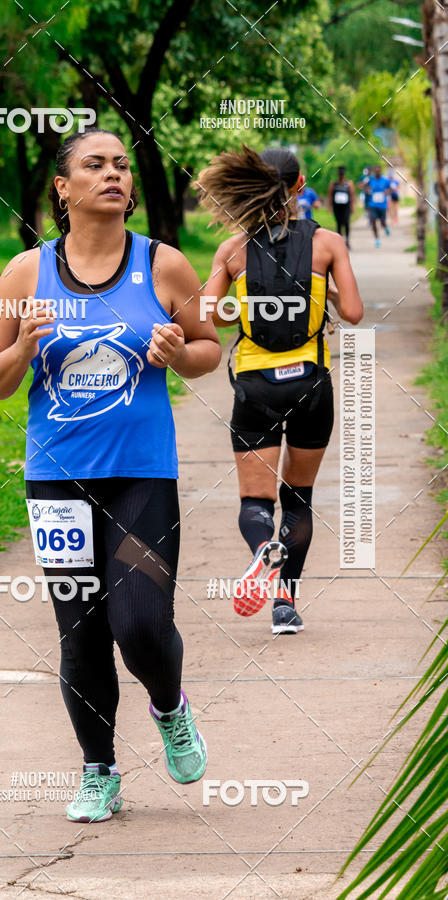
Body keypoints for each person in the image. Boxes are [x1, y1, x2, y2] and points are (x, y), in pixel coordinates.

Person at [0, 128, 221, 823]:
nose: (112, 173)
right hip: (58, 481)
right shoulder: (24, 273)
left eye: (120, 164)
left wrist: (180, 350)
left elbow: (210, 350)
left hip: (141, 474)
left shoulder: (164, 264)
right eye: (94, 164)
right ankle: (99, 771)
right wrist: (21, 346)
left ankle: (170, 707)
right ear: (63, 187)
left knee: (140, 620)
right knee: (80, 629)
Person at [197, 146, 363, 635]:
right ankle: (285, 605)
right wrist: (323, 292)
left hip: (254, 385)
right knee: (299, 497)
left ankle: (260, 551)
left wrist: (248, 308)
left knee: (255, 501)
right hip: (311, 381)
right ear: (301, 184)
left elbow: (206, 313)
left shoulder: (231, 250)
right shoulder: (327, 243)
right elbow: (353, 313)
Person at [328, 166, 354, 249]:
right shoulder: (334, 184)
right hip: (337, 207)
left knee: (346, 222)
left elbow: (352, 195)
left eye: (342, 174)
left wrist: (352, 207)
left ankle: (347, 241)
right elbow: (330, 195)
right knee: (339, 223)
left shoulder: (349, 183)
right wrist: (330, 206)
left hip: (346, 207)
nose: (341, 176)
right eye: (340, 174)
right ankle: (339, 241)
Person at [365, 164, 392, 247]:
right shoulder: (371, 180)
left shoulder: (385, 180)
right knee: (373, 220)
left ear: (380, 171)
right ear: (374, 172)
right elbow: (365, 187)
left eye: (378, 171)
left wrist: (387, 192)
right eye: (375, 171)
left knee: (382, 222)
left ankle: (385, 226)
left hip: (382, 205)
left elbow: (390, 189)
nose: (377, 172)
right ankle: (377, 239)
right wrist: (367, 191)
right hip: (373, 204)